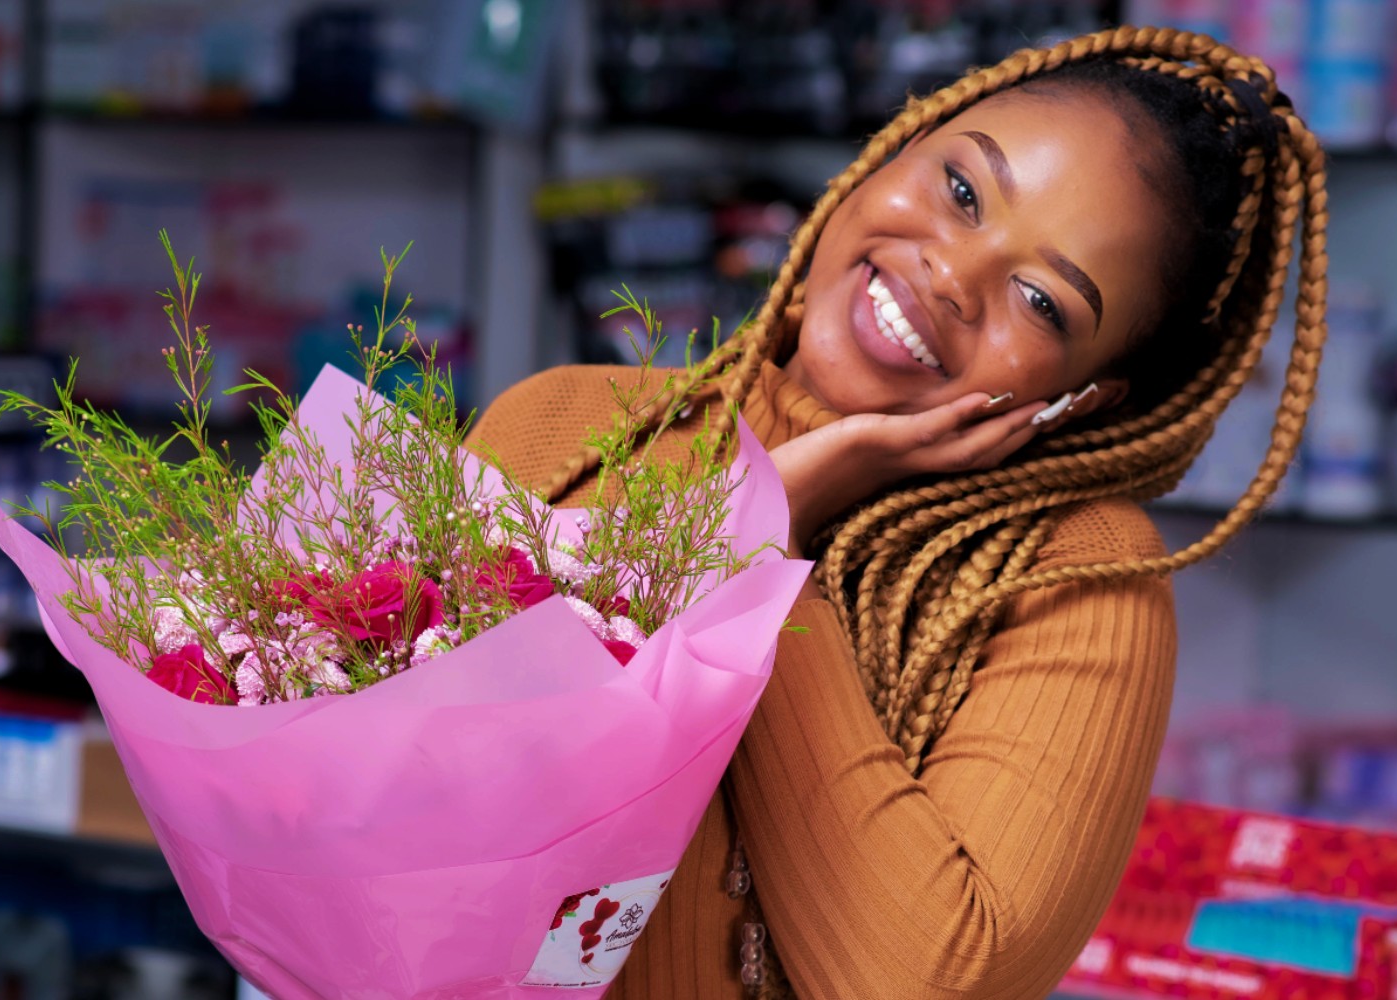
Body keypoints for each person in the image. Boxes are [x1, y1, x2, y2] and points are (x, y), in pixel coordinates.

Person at [469, 25, 1327, 1000]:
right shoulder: (564, 425)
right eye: (962, 191)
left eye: (1042, 301)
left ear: (1085, 396)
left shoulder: (1071, 577)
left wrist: (762, 541)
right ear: (895, 146)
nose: (951, 277)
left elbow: (929, 979)